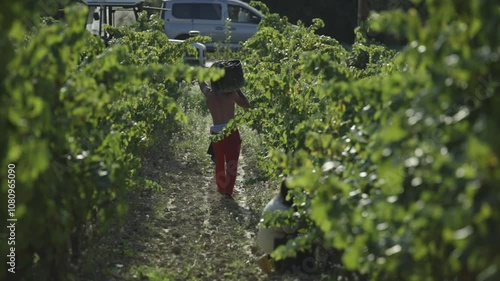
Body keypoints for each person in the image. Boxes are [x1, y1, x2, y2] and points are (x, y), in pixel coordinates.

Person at [198, 62, 251, 197]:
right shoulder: (231, 94)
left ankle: (221, 189)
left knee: (220, 163)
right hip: (231, 132)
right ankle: (228, 192)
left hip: (216, 132)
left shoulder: (209, 94)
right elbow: (246, 105)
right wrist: (236, 87)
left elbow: (202, 84)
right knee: (232, 162)